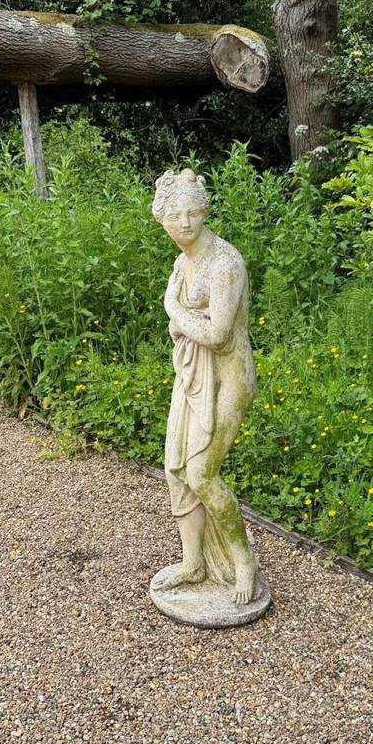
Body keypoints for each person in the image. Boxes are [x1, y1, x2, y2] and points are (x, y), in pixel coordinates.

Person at [152, 169, 257, 605]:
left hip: (228, 377)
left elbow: (218, 334)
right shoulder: (182, 262)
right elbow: (187, 330)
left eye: (193, 213)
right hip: (193, 376)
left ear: (204, 212)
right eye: (175, 215)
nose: (185, 223)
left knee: (202, 473)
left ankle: (243, 560)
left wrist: (172, 308)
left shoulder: (224, 263)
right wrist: (179, 316)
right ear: (162, 219)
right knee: (176, 470)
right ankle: (193, 562)